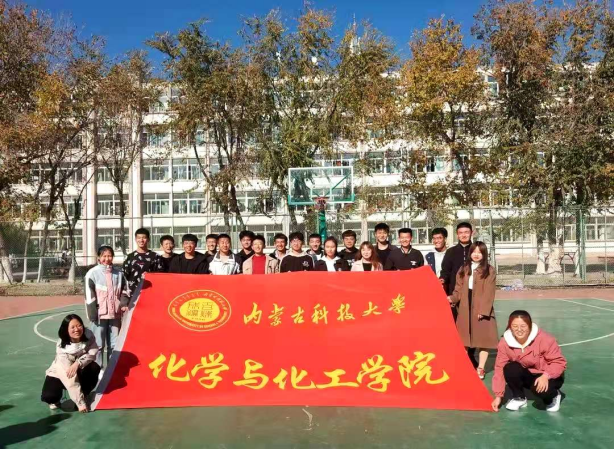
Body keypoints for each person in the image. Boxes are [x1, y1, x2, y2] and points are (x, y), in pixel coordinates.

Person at [491, 310, 567, 413]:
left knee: (542, 391)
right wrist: (498, 396)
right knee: (510, 368)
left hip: (549, 375)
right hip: (529, 375)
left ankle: (554, 396)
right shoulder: (504, 343)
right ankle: (519, 397)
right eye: (515, 326)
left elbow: (559, 362)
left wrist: (546, 376)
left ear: (530, 326)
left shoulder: (545, 339)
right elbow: (499, 368)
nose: (519, 330)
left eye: (523, 326)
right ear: (510, 327)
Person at [448, 241, 498, 380]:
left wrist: (484, 310)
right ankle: (463, 367)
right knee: (463, 340)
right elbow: (458, 289)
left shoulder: (490, 270)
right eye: (474, 252)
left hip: (481, 308)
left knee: (483, 341)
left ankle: (480, 368)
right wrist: (452, 298)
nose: (476, 255)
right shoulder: (464, 268)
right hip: (465, 307)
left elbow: (489, 292)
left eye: (479, 252)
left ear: (484, 254)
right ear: (470, 253)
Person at [41, 314, 100, 413]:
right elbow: (70, 379)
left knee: (94, 367)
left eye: (79, 325)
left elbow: (92, 353)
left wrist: (77, 363)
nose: (77, 329)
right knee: (49, 396)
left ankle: (84, 393)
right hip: (62, 372)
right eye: (72, 327)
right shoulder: (62, 347)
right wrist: (80, 403)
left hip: (79, 368)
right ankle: (56, 400)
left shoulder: (88, 335)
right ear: (66, 330)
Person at [84, 245, 130, 368]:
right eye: (104, 256)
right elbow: (89, 295)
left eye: (109, 256)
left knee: (114, 345)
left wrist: (123, 303)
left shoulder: (119, 274)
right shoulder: (92, 273)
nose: (107, 259)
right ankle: (97, 370)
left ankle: (111, 370)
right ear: (99, 257)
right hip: (99, 315)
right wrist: (92, 314)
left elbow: (125, 290)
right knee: (98, 345)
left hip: (115, 314)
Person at [122, 228, 163, 298]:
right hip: (132, 294)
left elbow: (160, 276)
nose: (141, 240)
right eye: (139, 238)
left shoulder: (155, 257)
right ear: (135, 239)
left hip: (150, 293)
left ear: (148, 239)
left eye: (144, 238)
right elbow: (125, 276)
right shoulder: (130, 257)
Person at [440, 222, 474, 296]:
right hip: (454, 291)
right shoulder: (450, 251)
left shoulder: (477, 250)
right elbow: (445, 271)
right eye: (460, 233)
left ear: (472, 233)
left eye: (466, 232)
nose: (463, 235)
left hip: (474, 291)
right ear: (457, 234)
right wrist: (443, 279)